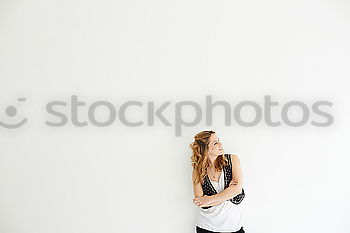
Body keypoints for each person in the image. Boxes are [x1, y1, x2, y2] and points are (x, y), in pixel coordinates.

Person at [190, 130, 246, 233]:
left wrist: (208, 199)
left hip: (234, 228)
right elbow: (201, 203)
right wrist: (228, 192)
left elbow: (237, 190)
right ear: (206, 149)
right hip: (206, 228)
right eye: (215, 143)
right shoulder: (197, 170)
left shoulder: (233, 160)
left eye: (219, 140)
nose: (221, 144)